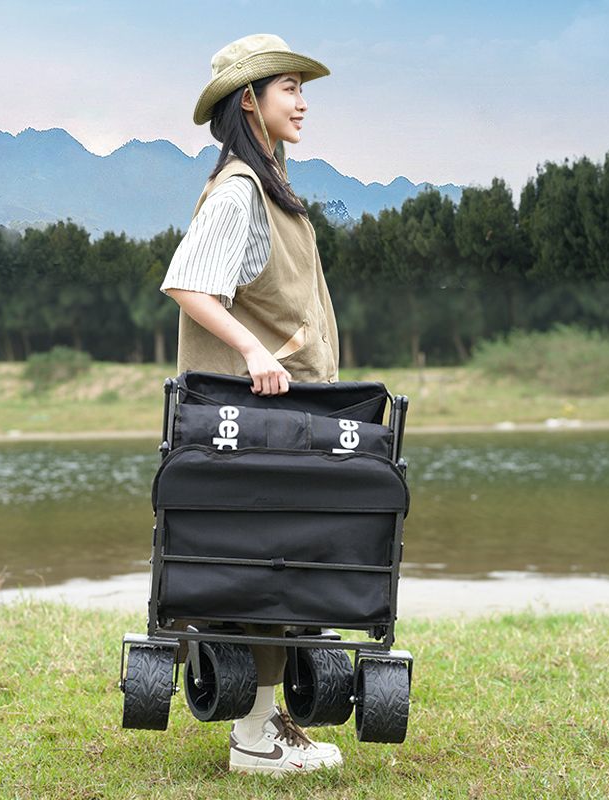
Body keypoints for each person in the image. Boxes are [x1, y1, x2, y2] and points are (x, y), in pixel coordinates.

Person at [160, 33, 342, 776]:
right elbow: (187, 280)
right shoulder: (240, 189)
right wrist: (254, 351)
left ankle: (270, 724)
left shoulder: (271, 187)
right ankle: (256, 739)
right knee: (267, 562)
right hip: (250, 424)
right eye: (289, 88)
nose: (302, 103)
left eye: (304, 88)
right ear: (249, 100)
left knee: (282, 561)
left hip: (281, 424)